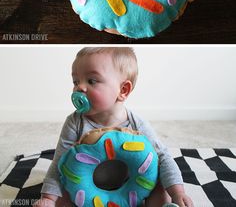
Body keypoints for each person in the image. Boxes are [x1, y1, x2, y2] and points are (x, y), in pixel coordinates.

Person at [34, 47, 193, 207]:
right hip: (85, 186)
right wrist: (48, 197)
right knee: (63, 192)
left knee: (159, 185)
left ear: (123, 90)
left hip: (130, 186)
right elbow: (59, 161)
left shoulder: (137, 124)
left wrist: (177, 192)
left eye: (91, 80)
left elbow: (163, 157)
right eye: (76, 81)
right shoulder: (75, 122)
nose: (79, 88)